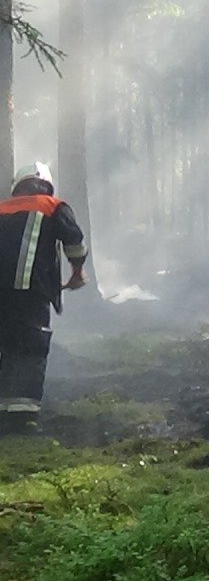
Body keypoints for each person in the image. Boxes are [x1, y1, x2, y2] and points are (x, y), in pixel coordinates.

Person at [0, 162, 88, 435]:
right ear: (46, 184)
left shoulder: (2, 208)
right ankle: (21, 420)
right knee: (29, 349)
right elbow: (74, 241)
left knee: (5, 347)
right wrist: (77, 272)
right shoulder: (52, 206)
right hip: (30, 292)